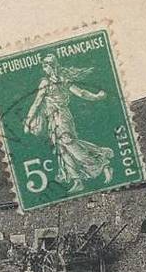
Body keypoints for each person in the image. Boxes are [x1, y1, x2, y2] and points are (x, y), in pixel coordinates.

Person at [24, 54, 115, 193]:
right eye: (43, 66)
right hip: (53, 121)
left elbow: (81, 93)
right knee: (63, 150)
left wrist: (97, 97)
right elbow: (81, 93)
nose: (45, 68)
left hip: (62, 118)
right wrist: (29, 120)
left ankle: (102, 163)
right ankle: (77, 180)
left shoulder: (56, 82)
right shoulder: (52, 82)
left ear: (52, 66)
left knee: (70, 145)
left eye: (46, 65)